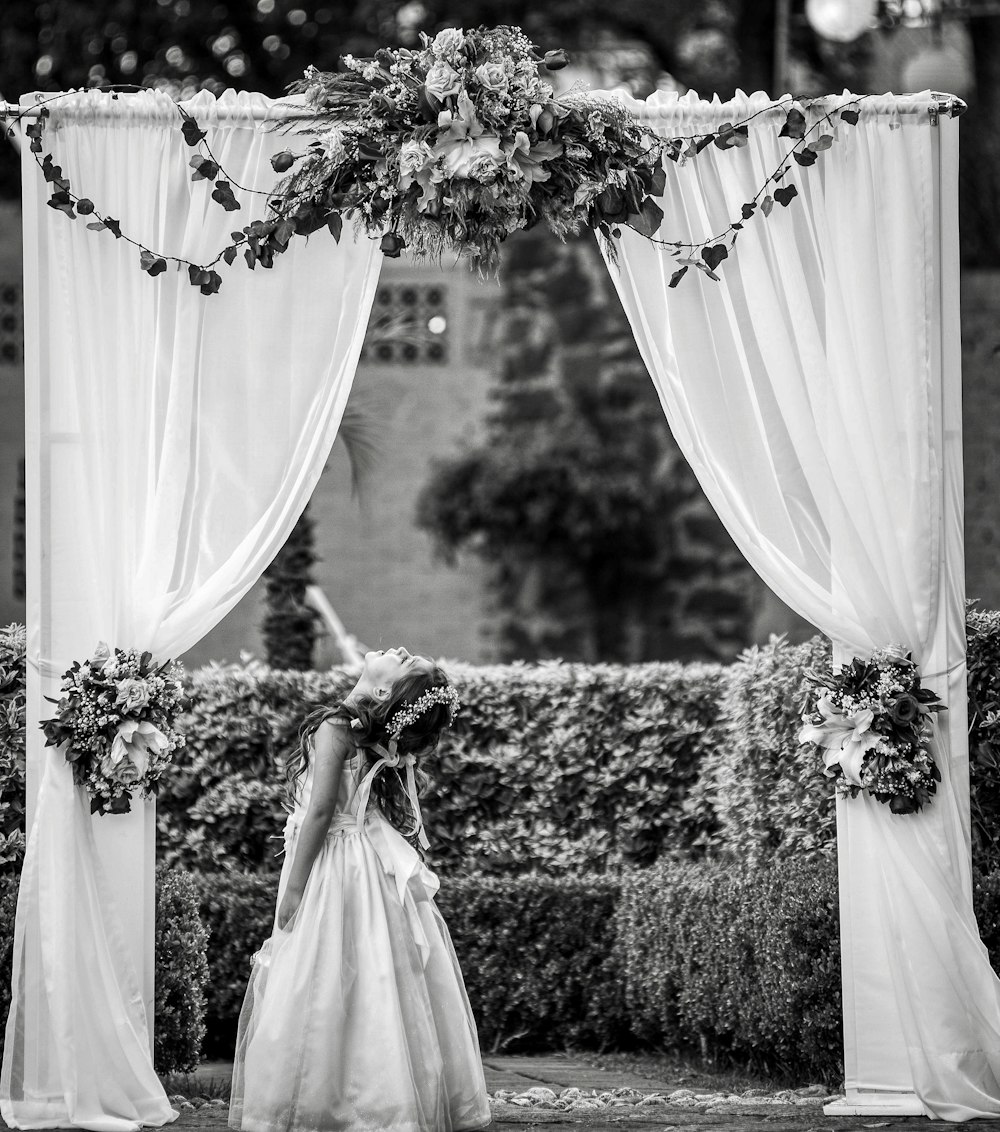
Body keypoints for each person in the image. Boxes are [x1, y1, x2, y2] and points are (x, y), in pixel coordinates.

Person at [229, 647, 492, 1132]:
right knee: (374, 973)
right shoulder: (365, 731)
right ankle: (375, 1097)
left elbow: (321, 812)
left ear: (385, 691)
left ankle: (327, 1100)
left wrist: (294, 886)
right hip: (368, 863)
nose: (399, 650)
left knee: (327, 973)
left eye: (405, 661)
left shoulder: (336, 727)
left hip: (336, 862)